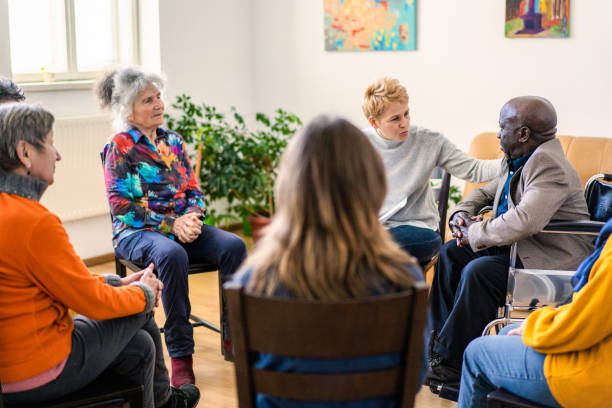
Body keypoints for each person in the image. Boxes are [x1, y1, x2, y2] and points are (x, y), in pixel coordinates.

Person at [0, 104, 199, 408]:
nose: (57, 155)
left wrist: (116, 282)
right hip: (33, 370)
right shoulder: (33, 221)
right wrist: (144, 293)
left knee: (141, 346)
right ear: (25, 153)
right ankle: (167, 402)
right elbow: (90, 303)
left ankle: (165, 402)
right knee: (138, 312)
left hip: (14, 363)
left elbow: (60, 280)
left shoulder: (10, 211)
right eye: (51, 142)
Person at [232, 116, 429, 407]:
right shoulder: (405, 277)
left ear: (290, 187)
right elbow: (415, 378)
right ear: (372, 184)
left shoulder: (254, 280)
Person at [428, 96, 594, 385]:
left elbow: (526, 220)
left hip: (550, 262)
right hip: (521, 250)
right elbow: (483, 194)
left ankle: (454, 364)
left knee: (478, 273)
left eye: (502, 126)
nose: (497, 133)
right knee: (450, 254)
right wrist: (460, 215)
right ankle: (438, 352)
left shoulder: (547, 164)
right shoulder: (519, 158)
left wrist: (474, 232)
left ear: (523, 133)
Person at [97, 67, 247, 387]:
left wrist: (192, 217)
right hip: (137, 232)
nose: (158, 105)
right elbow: (122, 207)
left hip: (181, 226)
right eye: (147, 100)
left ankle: (236, 338)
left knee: (235, 246)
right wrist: (171, 223)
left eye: (159, 97)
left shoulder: (174, 142)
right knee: (173, 254)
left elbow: (194, 191)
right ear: (128, 109)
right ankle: (181, 354)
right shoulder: (119, 147)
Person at [459, 216, 612, 407]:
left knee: (476, 353)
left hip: (599, 376)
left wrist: (534, 324)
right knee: (506, 333)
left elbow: (585, 323)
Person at [361, 77, 499, 266]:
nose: (404, 123)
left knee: (422, 242)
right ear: (374, 122)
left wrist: (517, 160)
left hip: (417, 228)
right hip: (374, 228)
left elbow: (473, 169)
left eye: (406, 114)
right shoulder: (359, 144)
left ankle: (360, 252)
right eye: (395, 119)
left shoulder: (428, 141)